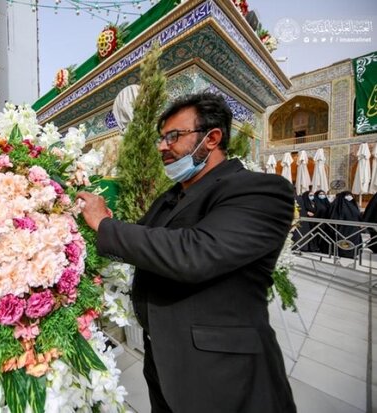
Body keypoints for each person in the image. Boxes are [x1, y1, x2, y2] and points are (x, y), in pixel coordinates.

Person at [77, 92, 296, 413]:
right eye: (161, 138)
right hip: (164, 362)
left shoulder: (261, 190)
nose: (162, 147)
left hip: (221, 373)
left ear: (212, 138)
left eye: (173, 137)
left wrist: (105, 225)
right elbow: (146, 243)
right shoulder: (171, 196)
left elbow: (193, 253)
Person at [328, 191, 362, 259]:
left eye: (350, 195)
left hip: (354, 228)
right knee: (344, 241)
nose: (349, 197)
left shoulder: (353, 204)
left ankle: (353, 253)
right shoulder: (339, 205)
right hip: (343, 228)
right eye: (347, 195)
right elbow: (334, 215)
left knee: (354, 241)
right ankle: (344, 253)